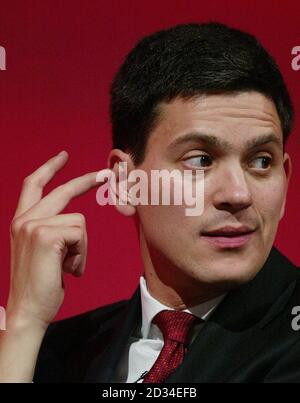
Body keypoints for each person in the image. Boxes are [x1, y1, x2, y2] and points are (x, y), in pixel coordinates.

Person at [0, 21, 299, 383]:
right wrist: (24, 322)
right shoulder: (50, 353)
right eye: (201, 160)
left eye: (261, 161)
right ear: (127, 183)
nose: (238, 194)